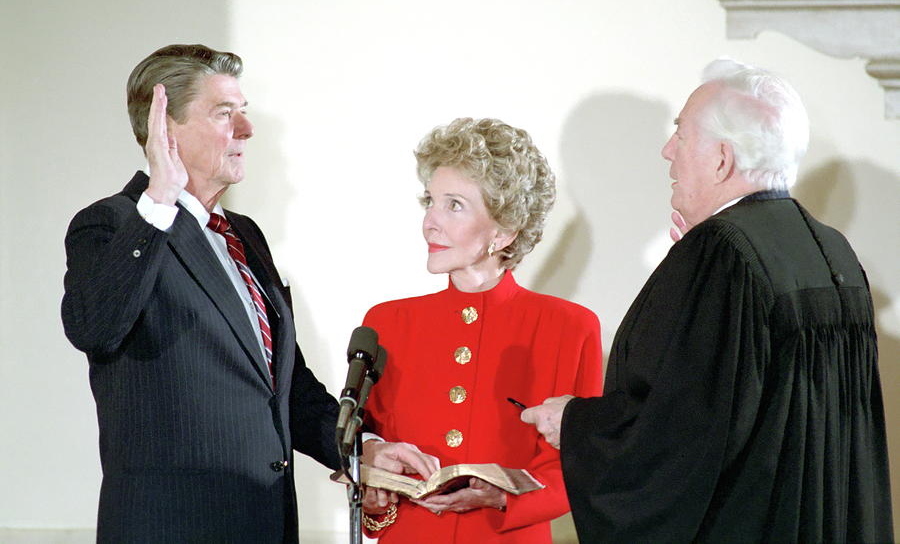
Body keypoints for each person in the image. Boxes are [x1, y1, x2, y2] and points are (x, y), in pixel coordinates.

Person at [61, 44, 434, 543]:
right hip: (171, 529)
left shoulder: (244, 235)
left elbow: (284, 385)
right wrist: (159, 198)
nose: (246, 130)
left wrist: (358, 447)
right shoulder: (114, 223)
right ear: (165, 127)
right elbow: (94, 328)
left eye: (243, 113)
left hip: (267, 524)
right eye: (223, 113)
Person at [521, 58, 894, 542]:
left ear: (721, 159)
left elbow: (683, 434)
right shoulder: (829, 249)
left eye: (681, 134)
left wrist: (573, 424)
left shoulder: (724, 253)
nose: (667, 150)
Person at [357, 118, 605, 543]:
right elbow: (371, 450)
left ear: (504, 230)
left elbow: (582, 464)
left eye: (453, 205)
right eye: (430, 202)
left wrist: (503, 495)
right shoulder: (385, 323)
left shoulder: (570, 328)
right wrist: (375, 494)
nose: (429, 223)